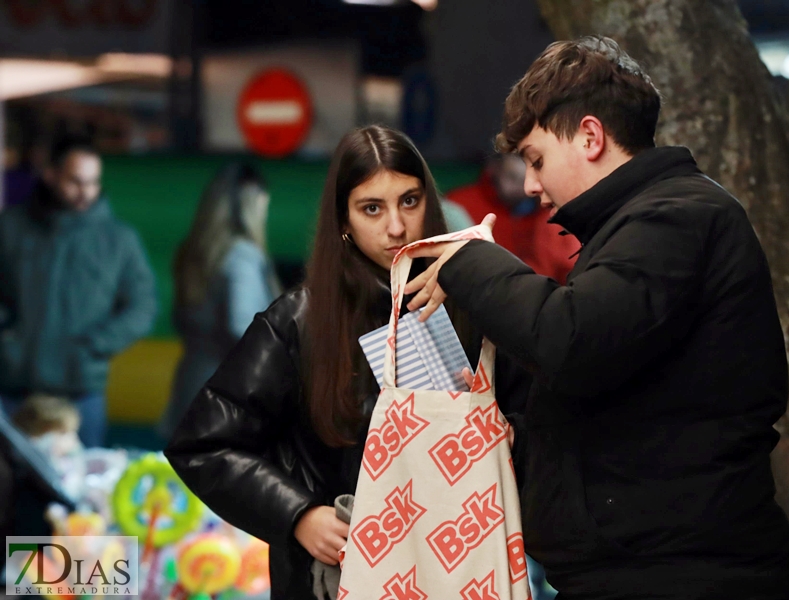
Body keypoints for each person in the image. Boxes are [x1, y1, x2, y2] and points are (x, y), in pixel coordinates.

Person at [405, 36, 789, 599]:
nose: (532, 185)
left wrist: (469, 259)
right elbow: (613, 383)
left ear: (590, 136)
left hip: (677, 577)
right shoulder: (637, 226)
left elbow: (573, 338)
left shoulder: (676, 218)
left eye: (536, 160)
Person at [164, 125, 528, 600]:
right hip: (338, 576)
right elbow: (203, 443)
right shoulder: (300, 320)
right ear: (344, 220)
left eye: (410, 201)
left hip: (460, 567)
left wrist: (506, 431)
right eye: (372, 208)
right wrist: (297, 514)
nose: (396, 227)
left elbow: (540, 419)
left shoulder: (473, 305)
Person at [0, 136, 157, 448]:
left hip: (80, 392)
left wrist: (95, 345)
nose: (86, 191)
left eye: (93, 182)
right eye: (75, 181)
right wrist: (7, 332)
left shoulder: (118, 239)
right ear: (51, 174)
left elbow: (144, 306)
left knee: (82, 485)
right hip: (14, 387)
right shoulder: (10, 227)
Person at [158, 163, 281, 441]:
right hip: (231, 397)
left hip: (191, 385)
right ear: (252, 205)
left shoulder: (194, 252)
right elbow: (245, 330)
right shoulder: (242, 255)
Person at [446, 153, 580, 283]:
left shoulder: (548, 214)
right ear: (495, 167)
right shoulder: (458, 204)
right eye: (511, 176)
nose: (519, 187)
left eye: (525, 179)